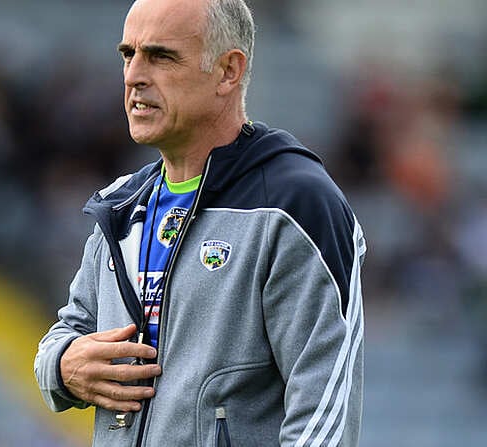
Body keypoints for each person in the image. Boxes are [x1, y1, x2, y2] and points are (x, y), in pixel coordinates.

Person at [34, 0, 366, 445]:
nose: (134, 75)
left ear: (228, 71)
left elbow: (325, 414)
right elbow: (69, 331)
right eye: (128, 54)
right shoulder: (123, 207)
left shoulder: (294, 206)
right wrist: (62, 366)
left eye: (161, 56)